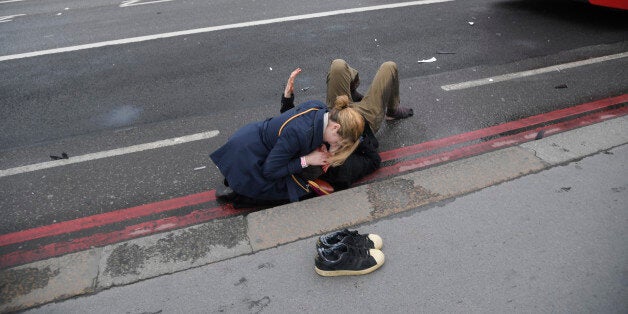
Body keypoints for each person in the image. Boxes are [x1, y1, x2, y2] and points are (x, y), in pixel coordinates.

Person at [210, 84, 365, 207]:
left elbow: (290, 124)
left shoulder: (319, 108)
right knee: (295, 193)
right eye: (338, 142)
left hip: (252, 141)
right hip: (249, 158)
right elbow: (270, 171)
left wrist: (287, 99)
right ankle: (238, 193)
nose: (336, 146)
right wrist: (307, 160)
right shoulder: (299, 134)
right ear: (336, 128)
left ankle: (235, 180)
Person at [280, 59, 414, 190]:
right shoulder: (344, 170)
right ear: (325, 166)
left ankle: (351, 92)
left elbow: (291, 126)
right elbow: (374, 159)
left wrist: (287, 98)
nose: (322, 149)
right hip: (364, 120)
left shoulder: (308, 145)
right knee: (389, 67)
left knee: (338, 65)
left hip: (338, 110)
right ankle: (392, 109)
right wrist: (356, 135)